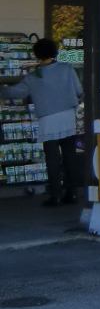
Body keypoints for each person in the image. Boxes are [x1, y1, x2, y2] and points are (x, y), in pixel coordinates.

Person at [0, 38, 83, 206]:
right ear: (54, 52)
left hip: (48, 119)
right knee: (69, 156)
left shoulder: (34, 76)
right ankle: (72, 193)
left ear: (37, 55)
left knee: (52, 158)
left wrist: (2, 90)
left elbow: (16, 92)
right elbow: (79, 91)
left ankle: (56, 195)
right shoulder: (67, 69)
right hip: (68, 116)